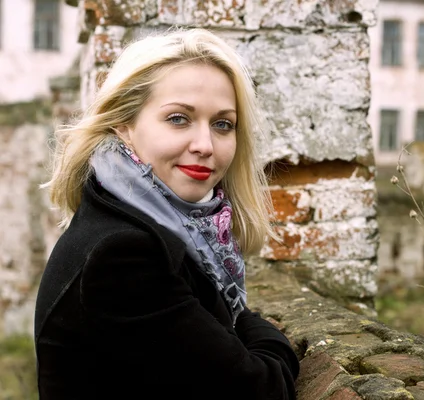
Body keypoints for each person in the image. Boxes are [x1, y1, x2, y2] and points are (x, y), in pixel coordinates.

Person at [34, 28, 299, 399]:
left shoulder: (139, 223)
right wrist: (268, 335)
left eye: (223, 124)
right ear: (124, 124)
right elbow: (263, 388)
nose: (205, 145)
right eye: (178, 118)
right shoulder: (122, 256)